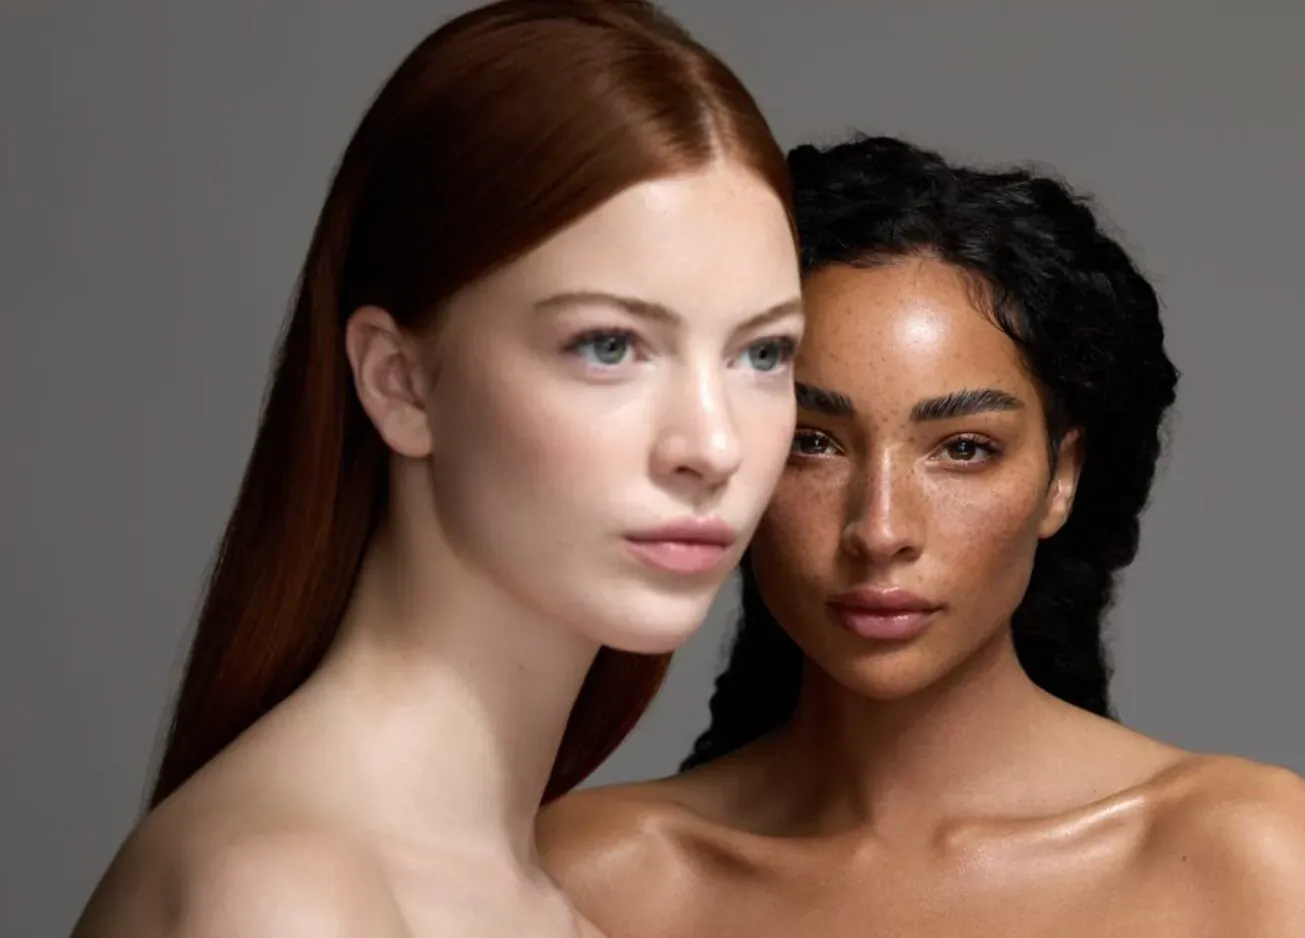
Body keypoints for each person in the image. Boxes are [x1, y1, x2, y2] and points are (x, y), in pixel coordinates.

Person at [69, 2, 806, 936]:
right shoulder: (284, 901)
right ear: (400, 382)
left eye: (763, 355)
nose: (713, 445)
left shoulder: (532, 899)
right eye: (610, 345)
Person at [536, 134, 1305, 937]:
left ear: (1062, 477)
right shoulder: (592, 873)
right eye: (812, 443)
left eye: (964, 449)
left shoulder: (1241, 855)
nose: (881, 530)